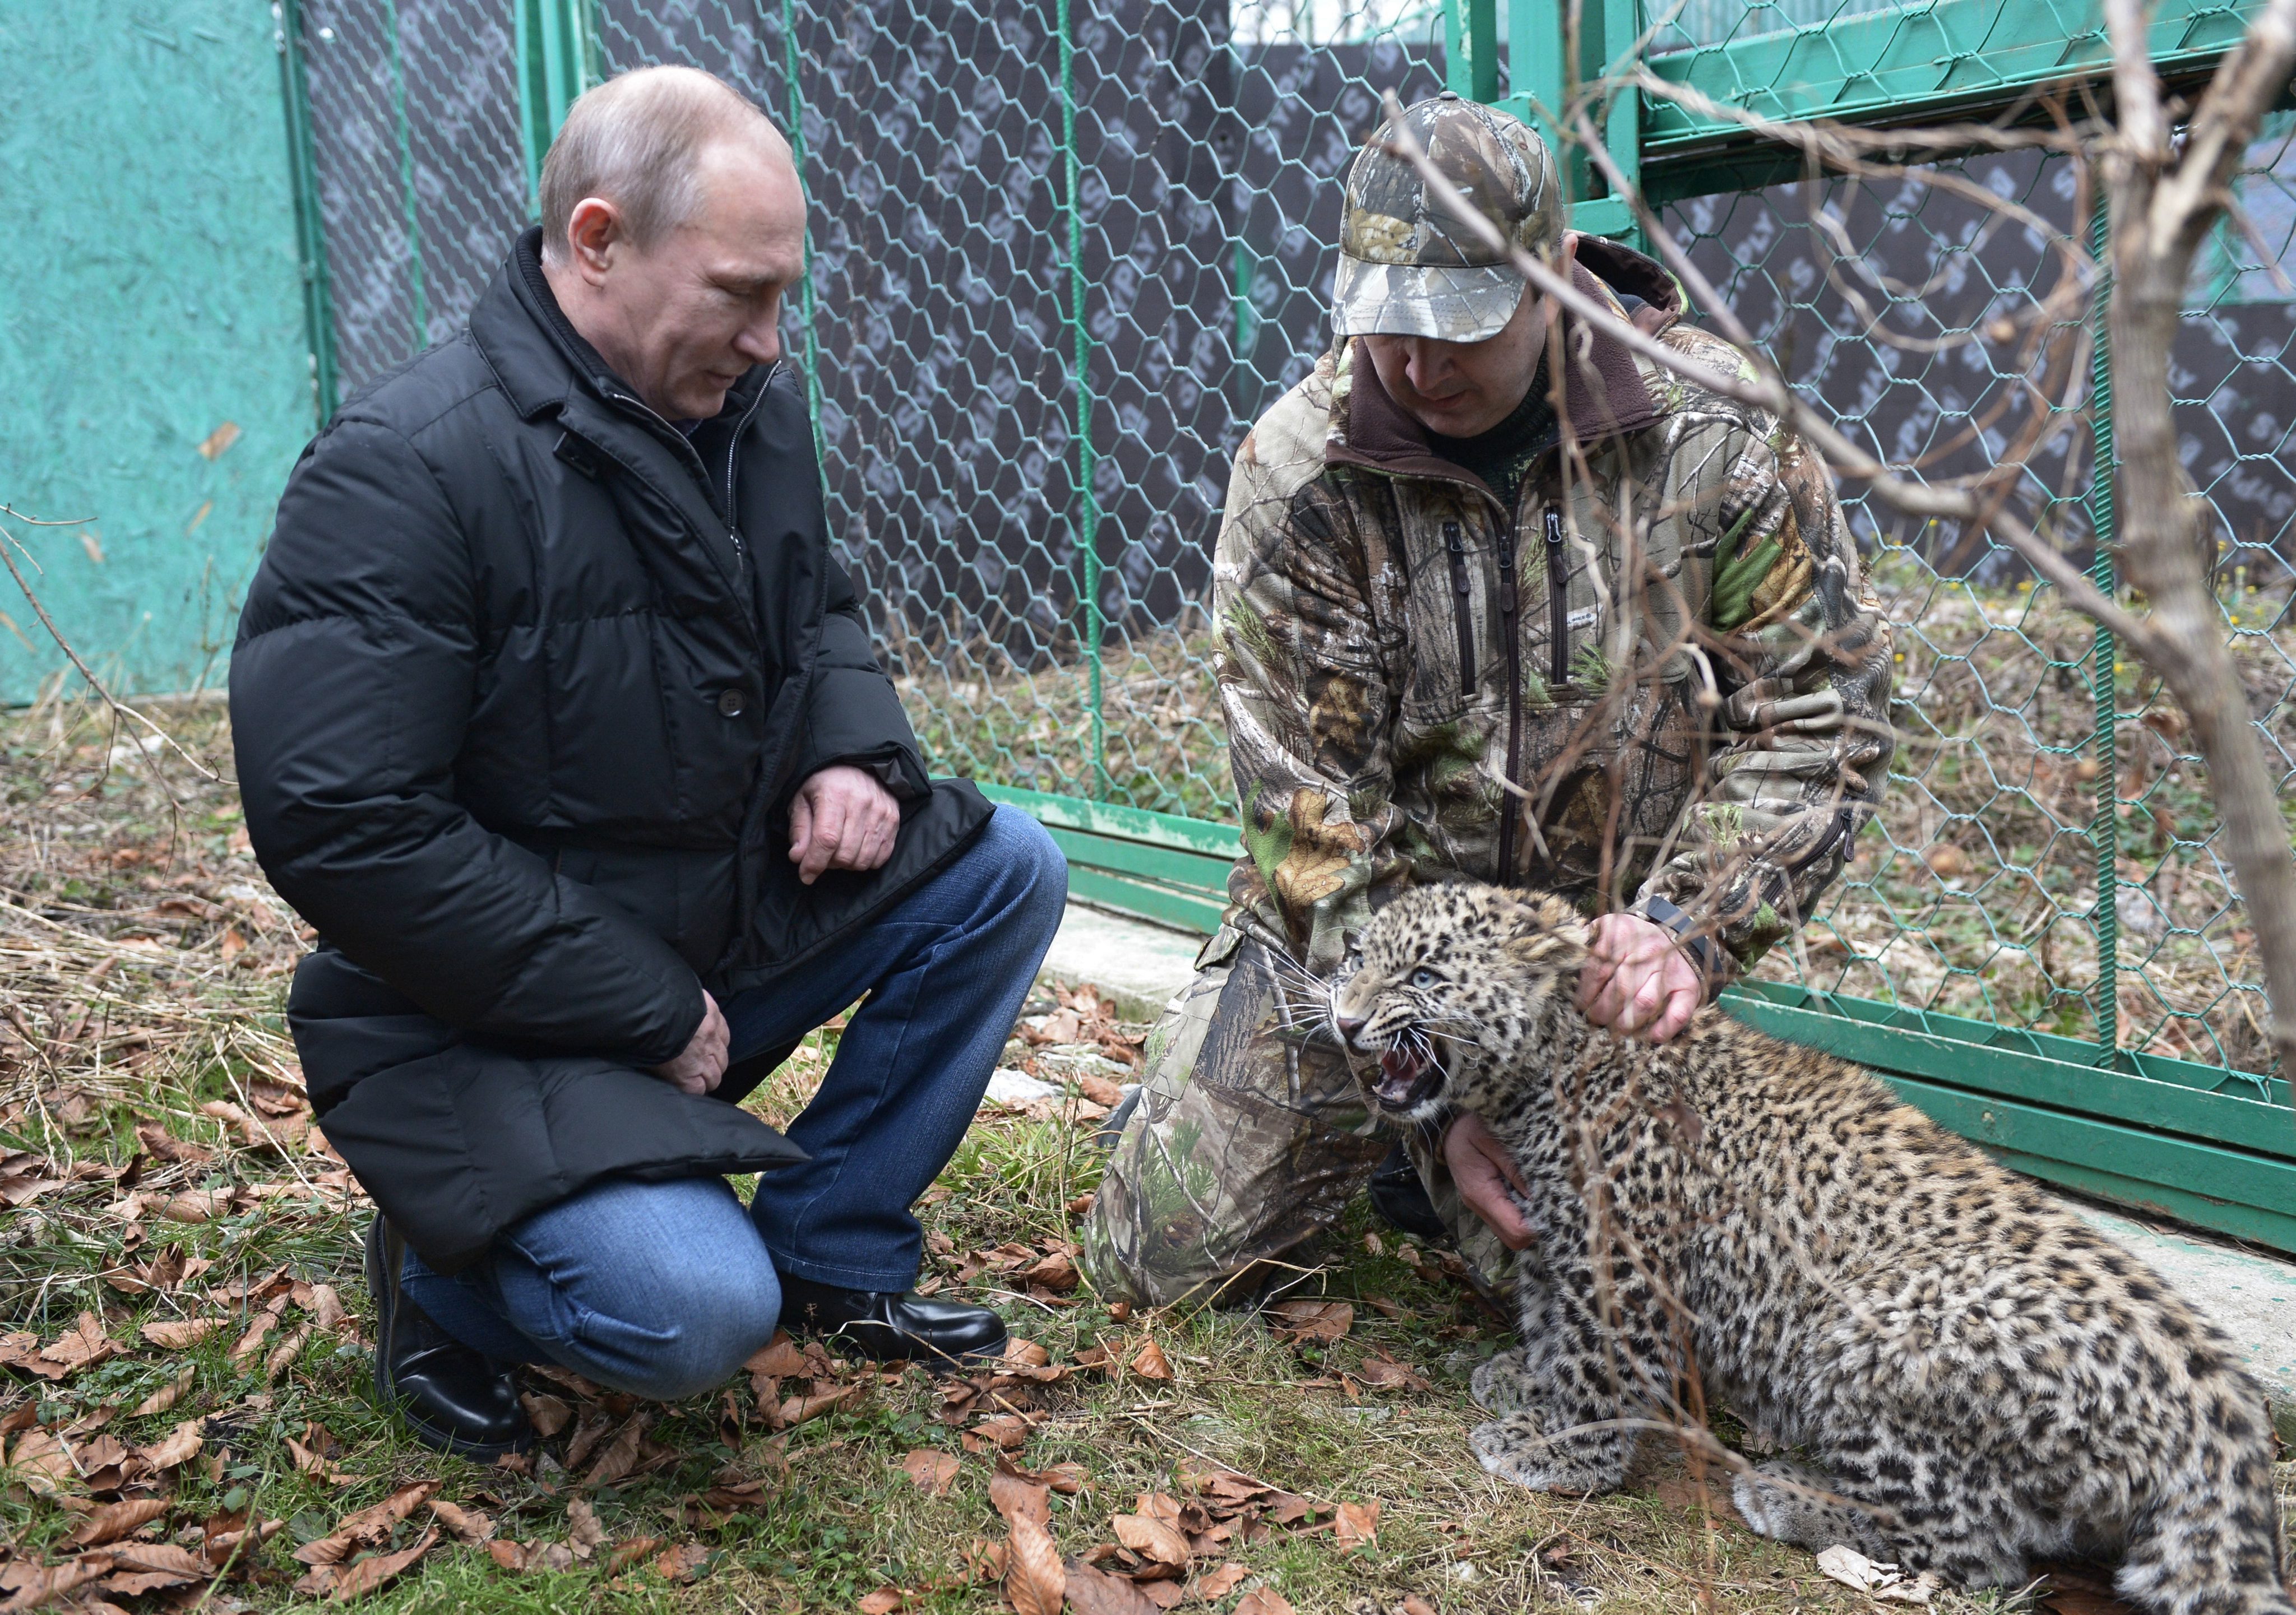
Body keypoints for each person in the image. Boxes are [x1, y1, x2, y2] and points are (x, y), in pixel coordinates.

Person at [230, 66, 1067, 1459]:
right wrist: (641, 1003)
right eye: (741, 291)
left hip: (705, 923)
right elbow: (345, 824)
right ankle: (440, 1277)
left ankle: (837, 1248)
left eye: (784, 294)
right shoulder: (406, 471)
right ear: (600, 241)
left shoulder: (739, 411)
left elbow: (816, 608)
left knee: (1005, 869)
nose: (770, 338)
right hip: (490, 1018)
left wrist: (849, 749)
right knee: (686, 1318)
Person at [1081, 92, 1893, 1307]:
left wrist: (1684, 927)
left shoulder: (1715, 435)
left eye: (1459, 324)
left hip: (1590, 971)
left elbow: (1822, 717)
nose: (1416, 366)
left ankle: (1441, 1174)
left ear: (1554, 275)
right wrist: (1432, 1082)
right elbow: (1306, 828)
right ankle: (1301, 1111)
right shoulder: (1296, 476)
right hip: (1363, 957)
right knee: (1162, 1269)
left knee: (1683, 1310)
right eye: (1385, 327)